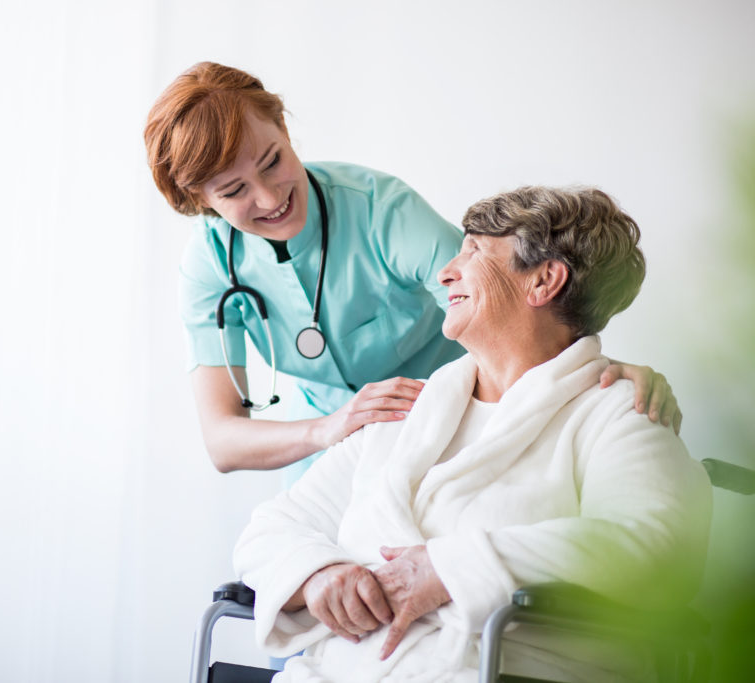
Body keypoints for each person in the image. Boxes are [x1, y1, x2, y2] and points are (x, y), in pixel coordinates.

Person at [232, 186, 713, 682]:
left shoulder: (618, 413)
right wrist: (319, 574)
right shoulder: (406, 415)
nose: (445, 273)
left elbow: (653, 548)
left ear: (544, 280)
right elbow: (270, 528)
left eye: (474, 251)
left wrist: (449, 569)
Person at [143, 61, 681, 487]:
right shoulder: (210, 264)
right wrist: (331, 429)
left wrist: (600, 370)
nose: (269, 198)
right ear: (199, 200)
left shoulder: (382, 210)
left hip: (460, 428)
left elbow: (509, 300)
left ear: (284, 128)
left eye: (273, 161)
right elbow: (222, 441)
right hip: (329, 459)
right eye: (233, 191)